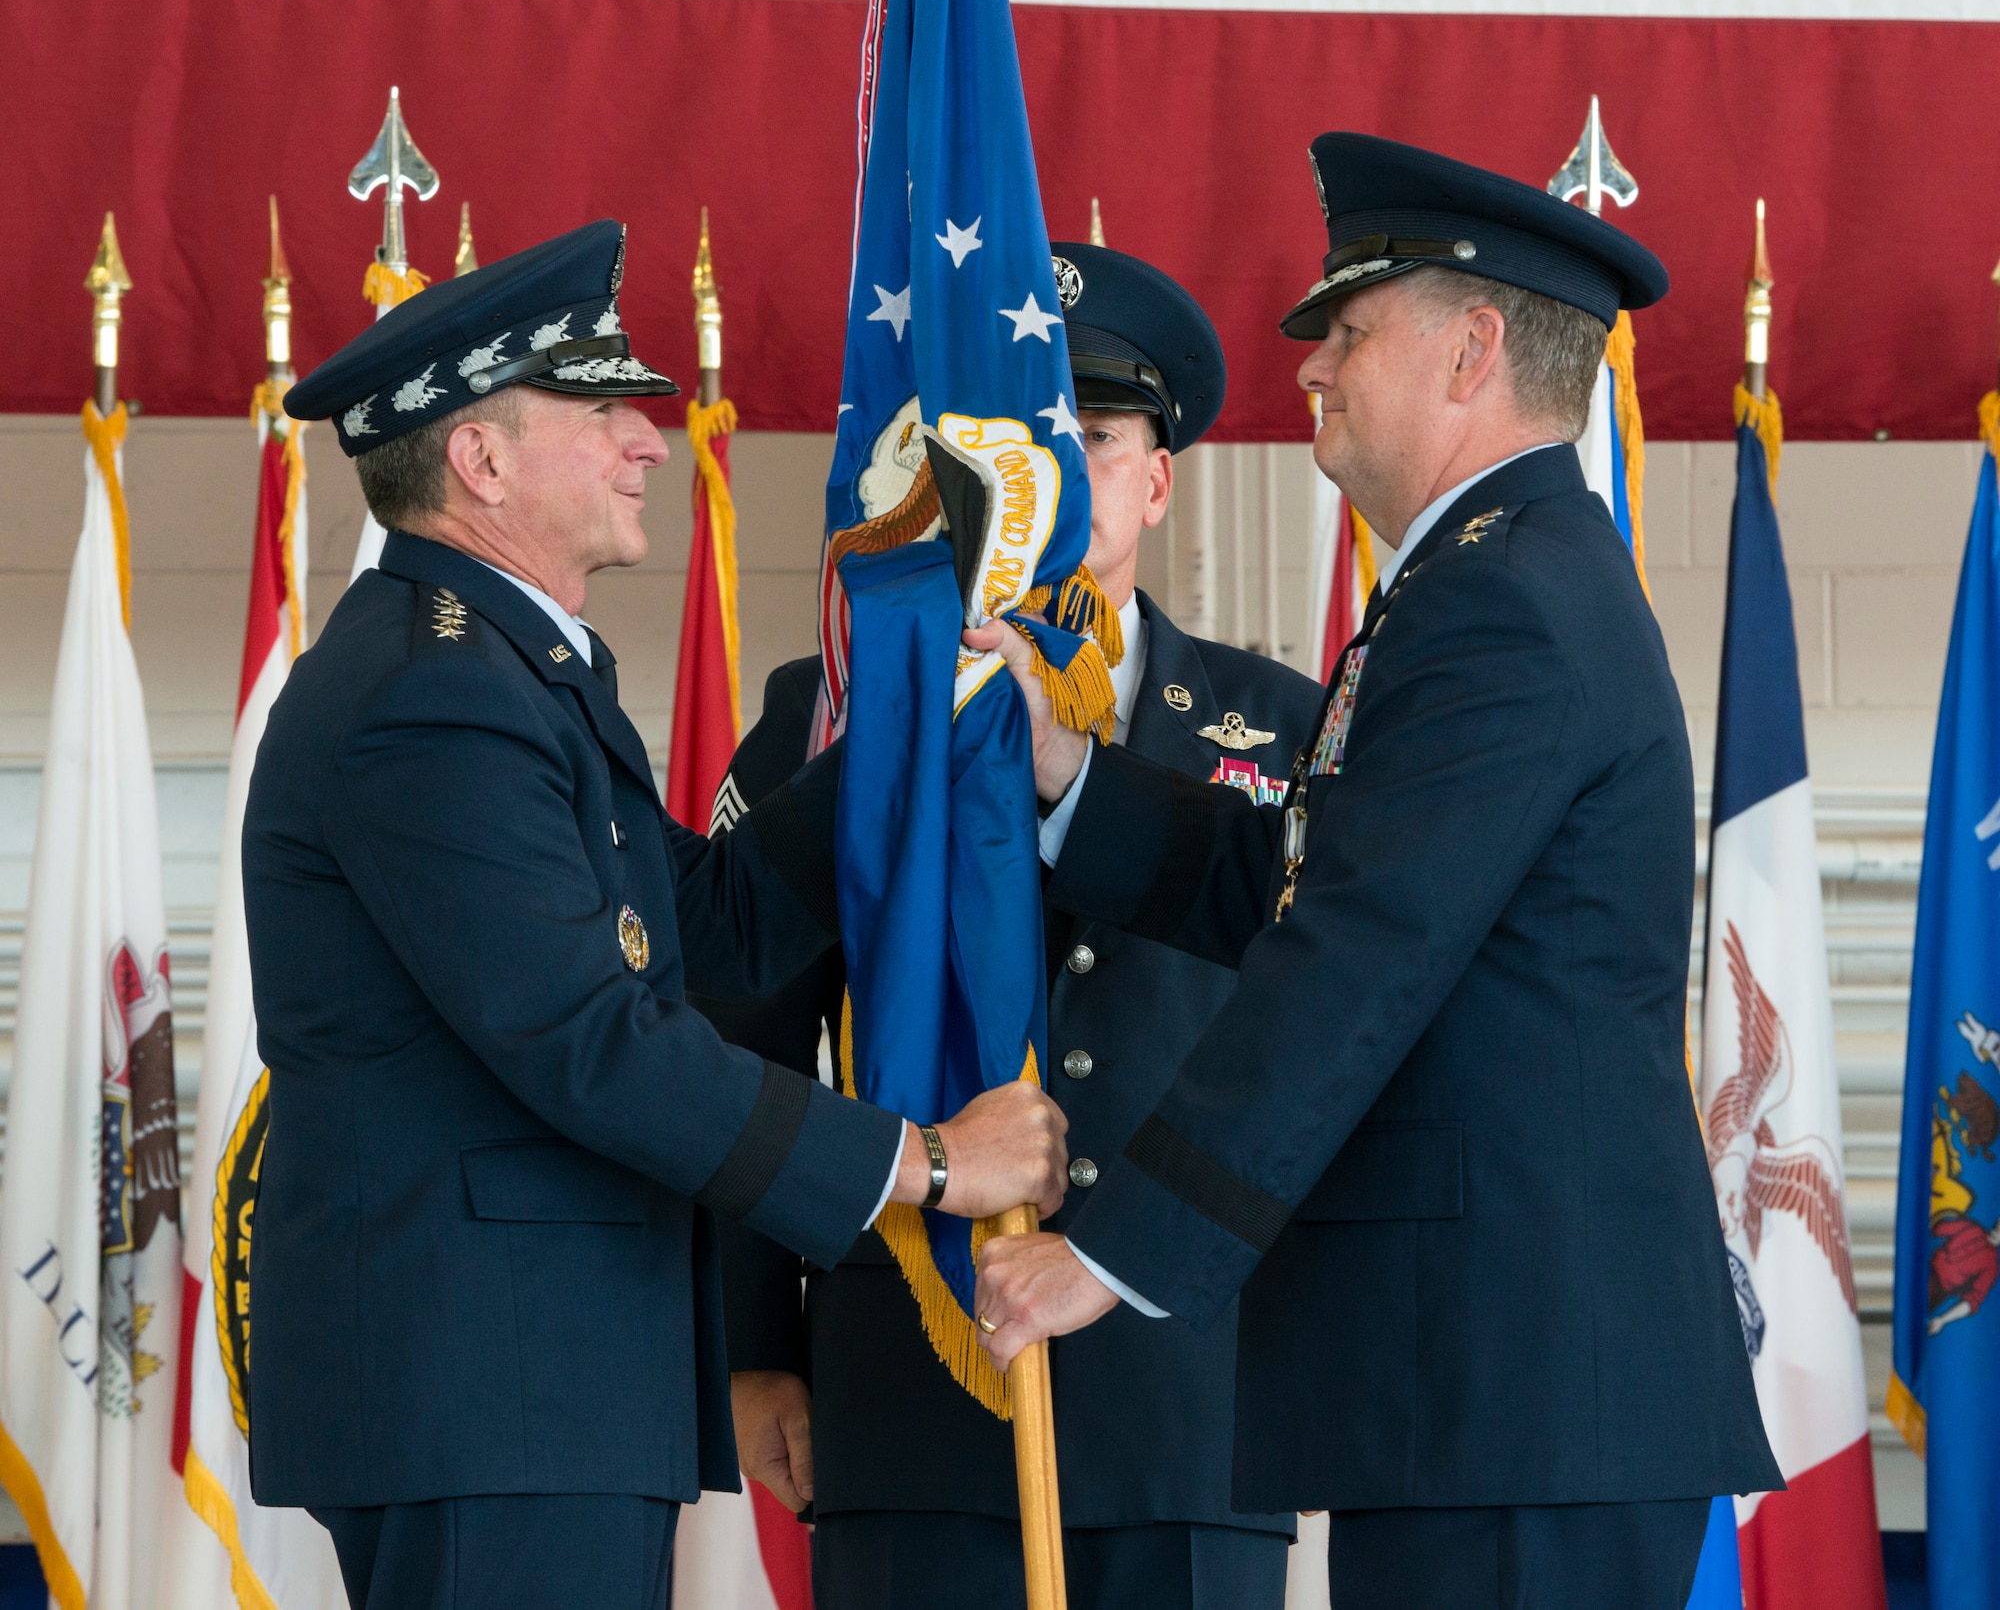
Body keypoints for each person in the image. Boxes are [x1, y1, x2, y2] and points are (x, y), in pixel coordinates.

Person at [969, 136, 1783, 1608]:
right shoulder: (1491, 575)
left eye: (1347, 331)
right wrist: (1069, 781)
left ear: (1473, 349)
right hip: (1496, 1396)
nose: (1313, 370)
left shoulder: (1505, 602)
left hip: (1517, 1393)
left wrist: (1116, 1249)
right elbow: (1308, 879)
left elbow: (1355, 951)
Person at [244, 220, 1068, 1610]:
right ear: (481, 459)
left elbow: (708, 924)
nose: (649, 441)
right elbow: (598, 1042)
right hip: (489, 1397)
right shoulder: (432, 697)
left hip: (530, 1394)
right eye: (603, 409)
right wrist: (926, 1161)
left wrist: (915, 726)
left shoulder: (513, 673)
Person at [703, 245, 1322, 1610]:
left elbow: (1324, 1044)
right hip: (913, 1395)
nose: (1057, 473)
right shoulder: (832, 706)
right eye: (1021, 441)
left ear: (1158, 479)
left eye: (1092, 437)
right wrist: (756, 1346)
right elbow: (739, 1025)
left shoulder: (1276, 723)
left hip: (1187, 1415)